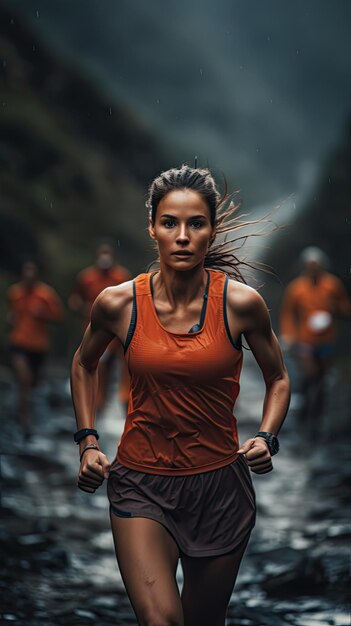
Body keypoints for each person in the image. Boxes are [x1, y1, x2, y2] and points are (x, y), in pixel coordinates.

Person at [70, 165, 290, 626]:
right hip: (139, 484)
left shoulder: (241, 304)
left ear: (211, 230)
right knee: (162, 622)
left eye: (196, 223)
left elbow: (278, 378)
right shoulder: (119, 303)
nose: (183, 236)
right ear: (153, 228)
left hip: (220, 490)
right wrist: (89, 441)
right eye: (170, 223)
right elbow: (84, 364)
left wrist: (267, 437)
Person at [279, 246, 351, 436]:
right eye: (310, 265)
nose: (313, 269)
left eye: (316, 265)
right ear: (305, 266)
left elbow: (345, 308)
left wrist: (334, 308)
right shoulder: (296, 288)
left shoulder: (332, 284)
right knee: (310, 375)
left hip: (326, 339)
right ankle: (303, 412)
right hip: (305, 339)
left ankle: (316, 418)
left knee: (321, 379)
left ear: (322, 266)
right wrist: (288, 335)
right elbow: (287, 313)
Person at [69, 240, 131, 412]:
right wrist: (83, 307)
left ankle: (123, 402)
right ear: (96, 256)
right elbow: (75, 299)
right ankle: (99, 406)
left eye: (108, 254)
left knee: (121, 365)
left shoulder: (121, 276)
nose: (105, 258)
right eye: (102, 254)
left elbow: (130, 299)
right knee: (99, 366)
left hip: (118, 332)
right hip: (95, 330)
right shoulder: (86, 278)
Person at [7, 260, 64, 439]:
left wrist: (44, 315)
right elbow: (12, 313)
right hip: (18, 343)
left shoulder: (45, 295)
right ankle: (25, 421)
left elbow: (58, 316)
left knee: (32, 384)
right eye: (26, 273)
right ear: (23, 274)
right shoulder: (15, 293)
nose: (29, 276)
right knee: (25, 379)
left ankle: (21, 408)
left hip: (38, 346)